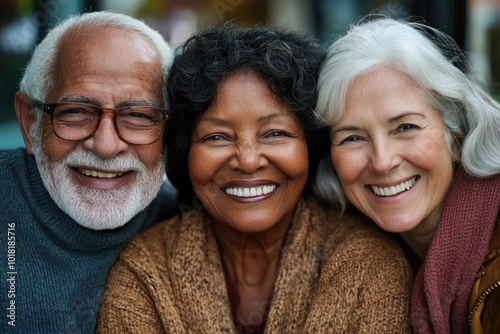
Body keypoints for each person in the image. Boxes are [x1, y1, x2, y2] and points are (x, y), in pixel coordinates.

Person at [97, 24, 413, 334]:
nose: (248, 161)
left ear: (311, 144)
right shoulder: (146, 269)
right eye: (217, 136)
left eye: (275, 133)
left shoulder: (368, 263)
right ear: (185, 151)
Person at [314, 16, 500, 334]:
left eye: (406, 127)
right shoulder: (350, 256)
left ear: (454, 133)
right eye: (353, 137)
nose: (383, 161)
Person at [0, 11, 178, 333]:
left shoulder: (181, 221)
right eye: (76, 112)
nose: (106, 146)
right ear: (30, 123)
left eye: (138, 115)